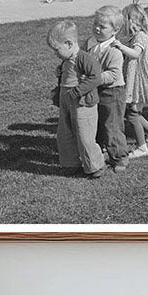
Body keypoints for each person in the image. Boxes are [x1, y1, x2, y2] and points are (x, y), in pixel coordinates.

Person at [46, 19, 106, 178]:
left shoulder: (83, 58)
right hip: (67, 102)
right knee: (65, 133)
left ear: (69, 44)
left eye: (57, 49)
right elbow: (67, 76)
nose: (55, 54)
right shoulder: (67, 60)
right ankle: (71, 163)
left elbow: (96, 77)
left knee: (84, 135)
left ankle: (95, 165)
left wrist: (78, 90)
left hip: (82, 103)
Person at [84, 5, 131, 172]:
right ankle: (100, 151)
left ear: (115, 30)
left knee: (112, 124)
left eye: (102, 26)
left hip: (112, 92)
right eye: (95, 24)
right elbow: (80, 60)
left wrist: (92, 78)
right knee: (95, 123)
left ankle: (119, 157)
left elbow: (112, 75)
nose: (97, 28)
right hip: (94, 90)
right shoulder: (90, 43)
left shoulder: (114, 50)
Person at [112, 3, 148, 158]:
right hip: (136, 80)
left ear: (131, 21)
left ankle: (142, 147)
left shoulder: (139, 36)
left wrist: (120, 46)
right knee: (133, 112)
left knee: (132, 113)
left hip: (139, 82)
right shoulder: (136, 36)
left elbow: (135, 53)